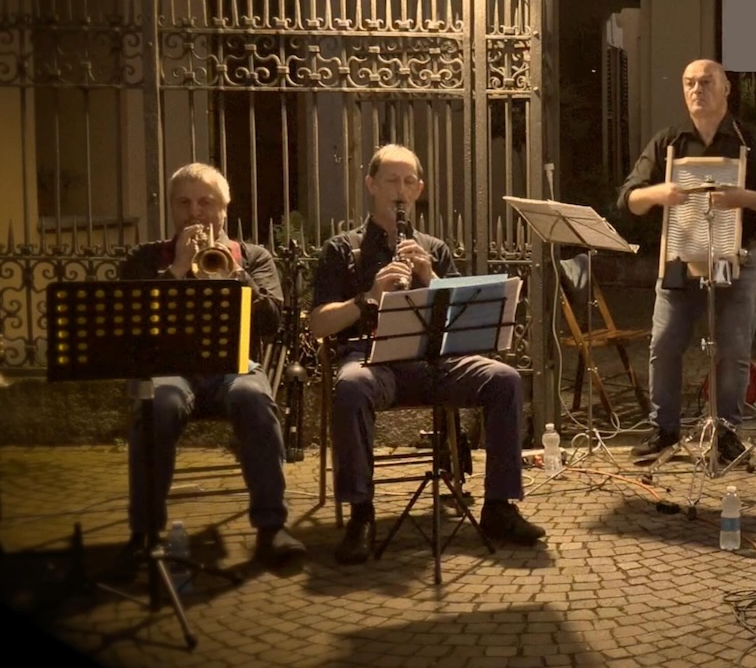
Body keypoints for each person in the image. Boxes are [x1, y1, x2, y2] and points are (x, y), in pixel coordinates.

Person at [310, 143, 544, 565]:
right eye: (391, 181)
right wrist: (368, 296)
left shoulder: (433, 249)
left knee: (504, 379)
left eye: (408, 182)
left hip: (435, 361)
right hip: (371, 361)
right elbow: (318, 324)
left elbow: (461, 322)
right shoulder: (342, 249)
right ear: (371, 185)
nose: (400, 191)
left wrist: (430, 277)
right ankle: (361, 514)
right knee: (351, 387)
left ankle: (498, 507)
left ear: (419, 189)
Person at [114, 162, 305, 568]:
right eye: (183, 203)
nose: (195, 213)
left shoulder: (254, 257)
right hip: (170, 370)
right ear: (171, 208)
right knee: (158, 405)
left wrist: (236, 276)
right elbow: (129, 326)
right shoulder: (145, 259)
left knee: (255, 400)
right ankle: (144, 534)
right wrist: (176, 271)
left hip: (235, 366)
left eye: (205, 202)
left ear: (224, 208)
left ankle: (272, 529)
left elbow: (272, 322)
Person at [616, 59, 756, 463]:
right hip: (681, 258)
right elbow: (628, 199)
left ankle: (727, 434)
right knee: (664, 344)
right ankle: (664, 431)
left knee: (733, 349)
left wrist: (741, 198)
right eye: (689, 83)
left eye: (706, 82)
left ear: (726, 88)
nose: (697, 89)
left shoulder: (749, 141)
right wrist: (660, 193)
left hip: (733, 258)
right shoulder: (669, 142)